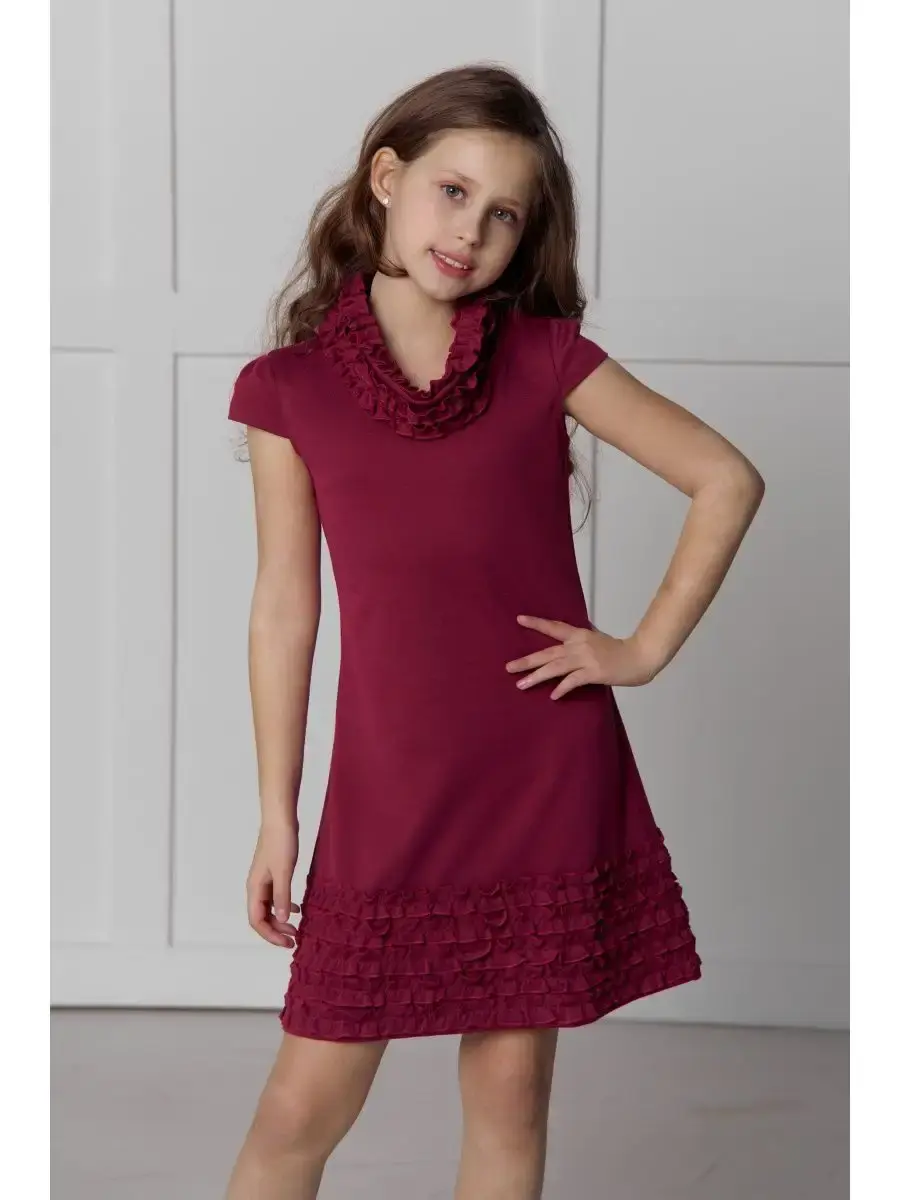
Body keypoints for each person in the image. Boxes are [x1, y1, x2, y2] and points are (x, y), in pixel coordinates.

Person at [223, 63, 764, 1200]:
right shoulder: (287, 390)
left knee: (512, 1096)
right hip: (390, 786)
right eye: (453, 191)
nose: (471, 231)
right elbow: (284, 608)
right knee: (300, 1109)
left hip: (538, 765)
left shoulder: (544, 358)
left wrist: (640, 649)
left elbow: (724, 477)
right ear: (387, 179)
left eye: (505, 213)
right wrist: (277, 814)